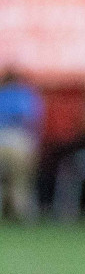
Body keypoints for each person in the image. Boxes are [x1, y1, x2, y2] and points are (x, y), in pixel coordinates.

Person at [0, 68, 42, 221]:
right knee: (18, 179)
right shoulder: (25, 95)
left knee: (18, 177)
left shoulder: (24, 95)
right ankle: (16, 207)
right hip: (12, 139)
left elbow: (32, 123)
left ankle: (18, 208)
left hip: (16, 139)